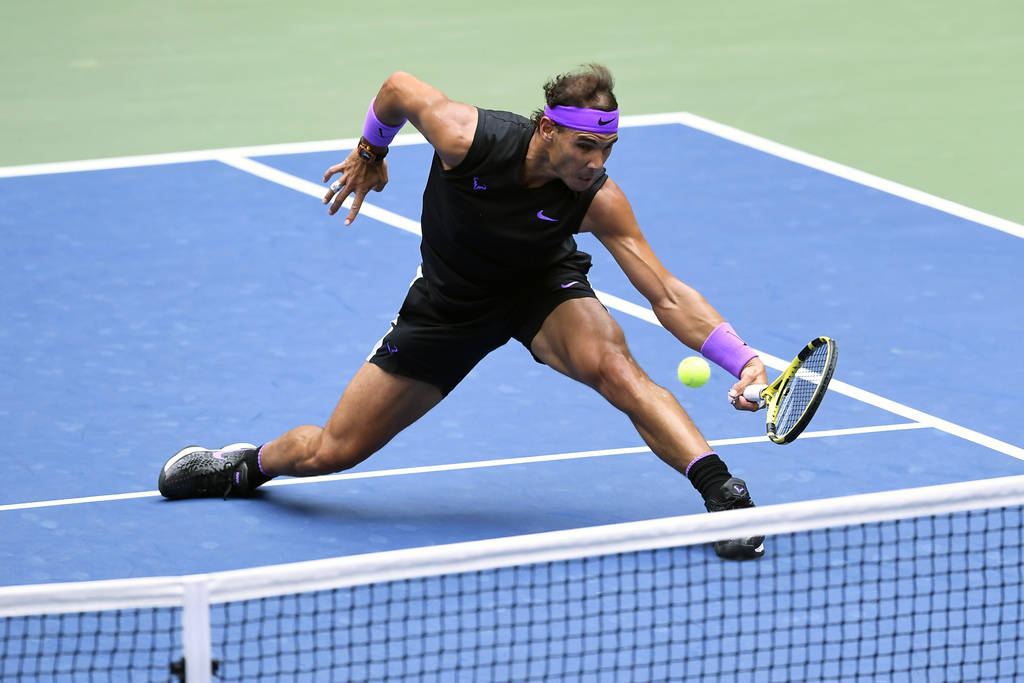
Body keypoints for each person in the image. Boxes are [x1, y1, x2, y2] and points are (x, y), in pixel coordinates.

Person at [158, 65, 770, 560]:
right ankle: (244, 466)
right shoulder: (467, 139)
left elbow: (664, 292)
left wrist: (740, 359)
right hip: (449, 306)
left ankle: (723, 493)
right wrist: (372, 148)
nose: (596, 162)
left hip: (541, 290)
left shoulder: (597, 197)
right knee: (333, 451)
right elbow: (398, 87)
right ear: (548, 130)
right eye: (586, 145)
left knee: (615, 368)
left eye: (607, 148)